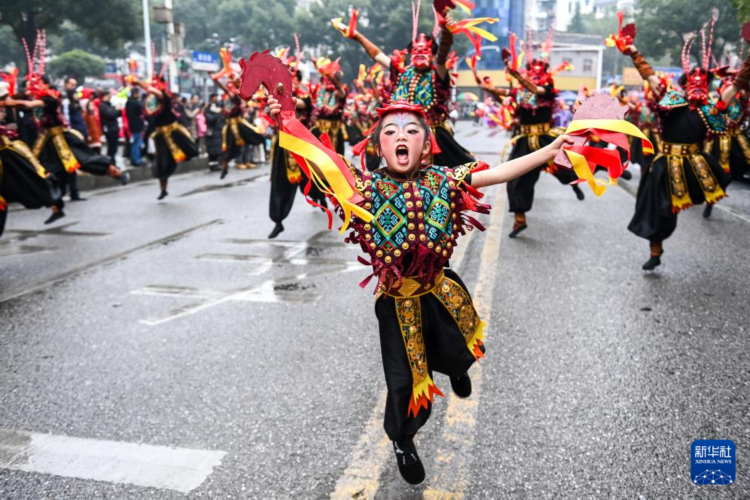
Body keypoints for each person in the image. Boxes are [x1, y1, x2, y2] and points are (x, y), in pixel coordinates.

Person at [268, 93, 572, 485]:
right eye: (390, 132)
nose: (401, 136)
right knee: (406, 381)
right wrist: (287, 121)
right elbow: (320, 158)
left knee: (460, 344)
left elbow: (500, 173)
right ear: (378, 147)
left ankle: (457, 367)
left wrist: (550, 149)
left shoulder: (443, 180)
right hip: (398, 305)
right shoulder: (363, 185)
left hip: (442, 289)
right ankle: (403, 439)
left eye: (412, 131)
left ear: (426, 146)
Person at [617, 18, 749, 269]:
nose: (697, 86)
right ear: (685, 87)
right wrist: (634, 52)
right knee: (657, 210)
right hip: (664, 165)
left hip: (693, 165)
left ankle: (706, 205)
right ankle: (655, 252)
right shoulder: (670, 102)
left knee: (727, 168)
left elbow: (734, 88)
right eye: (692, 83)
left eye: (702, 83)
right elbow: (651, 78)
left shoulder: (711, 110)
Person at [335, 9, 476, 167]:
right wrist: (357, 36)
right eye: (416, 50)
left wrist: (446, 32)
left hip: (432, 138)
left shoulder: (438, 74)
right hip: (401, 134)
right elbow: (377, 54)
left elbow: (443, 52)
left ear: (433, 55)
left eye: (425, 50)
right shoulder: (402, 73)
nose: (420, 53)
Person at [0, 83, 62, 235]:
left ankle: (56, 204)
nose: (3, 110)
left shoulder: (45, 101)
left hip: (50, 144)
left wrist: (16, 103)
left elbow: (40, 103)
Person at [129, 75, 199, 199]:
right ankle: (163, 189)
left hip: (174, 133)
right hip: (160, 136)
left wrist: (139, 83)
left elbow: (156, 92)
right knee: (162, 164)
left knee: (191, 151)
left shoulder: (165, 98)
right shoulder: (150, 102)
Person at [99, 91, 120, 165]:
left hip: (113, 128)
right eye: (109, 96)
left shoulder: (109, 105)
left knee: (113, 148)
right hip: (110, 129)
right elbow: (111, 114)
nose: (110, 98)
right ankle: (110, 163)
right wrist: (116, 109)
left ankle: (112, 162)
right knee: (111, 148)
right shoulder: (103, 106)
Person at [125, 87, 145, 166]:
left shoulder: (128, 102)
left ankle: (135, 158)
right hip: (137, 125)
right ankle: (136, 160)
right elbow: (140, 111)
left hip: (132, 125)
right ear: (135, 94)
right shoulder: (135, 103)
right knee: (136, 143)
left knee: (135, 143)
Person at [204, 93, 224, 171]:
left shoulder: (218, 107)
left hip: (218, 132)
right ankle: (212, 165)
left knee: (217, 150)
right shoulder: (208, 109)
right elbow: (210, 120)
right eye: (214, 97)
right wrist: (216, 113)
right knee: (212, 150)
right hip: (211, 133)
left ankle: (216, 164)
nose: (216, 99)